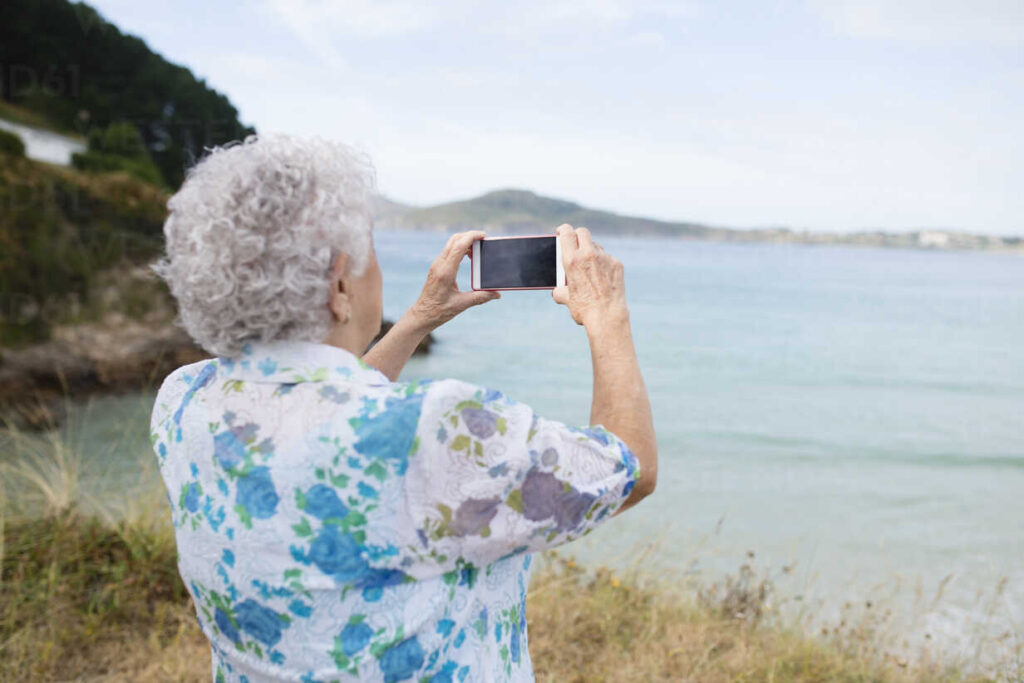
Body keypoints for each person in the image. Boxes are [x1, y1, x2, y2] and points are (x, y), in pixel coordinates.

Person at [150, 134, 657, 682]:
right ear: (340, 282)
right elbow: (628, 468)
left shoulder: (183, 399)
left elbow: (319, 405)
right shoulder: (436, 430)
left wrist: (417, 319)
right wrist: (606, 313)